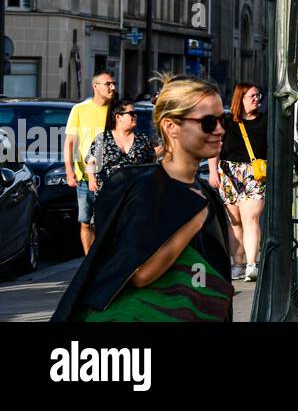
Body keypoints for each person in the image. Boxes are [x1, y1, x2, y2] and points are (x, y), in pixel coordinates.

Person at [51, 76, 233, 322]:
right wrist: (193, 221)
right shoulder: (149, 190)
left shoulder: (204, 191)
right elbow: (138, 273)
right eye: (209, 122)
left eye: (224, 120)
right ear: (171, 126)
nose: (220, 129)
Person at [208, 82, 267, 282]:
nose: (257, 99)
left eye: (258, 96)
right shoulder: (226, 121)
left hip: (254, 174)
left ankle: (251, 264)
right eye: (252, 96)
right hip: (228, 172)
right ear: (240, 98)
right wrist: (212, 171)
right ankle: (237, 264)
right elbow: (214, 145)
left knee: (251, 218)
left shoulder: (265, 121)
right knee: (235, 222)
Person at [63, 72, 116, 253]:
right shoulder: (79, 109)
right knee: (86, 222)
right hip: (85, 177)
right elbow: (69, 142)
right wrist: (69, 171)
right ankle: (89, 262)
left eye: (113, 84)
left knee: (109, 223)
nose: (112, 87)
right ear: (96, 86)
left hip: (112, 176)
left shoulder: (115, 110)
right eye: (108, 84)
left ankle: (107, 262)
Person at [87, 99, 156, 196]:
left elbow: (151, 165)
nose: (135, 116)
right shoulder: (103, 139)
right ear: (118, 117)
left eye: (136, 113)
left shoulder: (142, 139)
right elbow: (91, 162)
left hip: (134, 196)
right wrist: (91, 179)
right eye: (131, 113)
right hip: (108, 196)